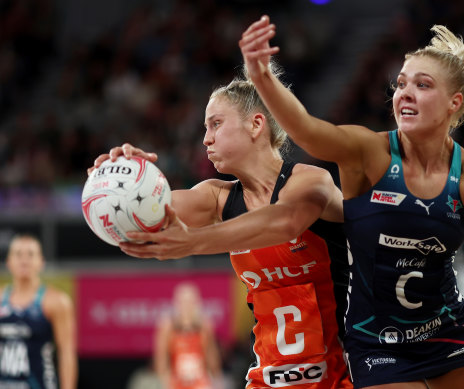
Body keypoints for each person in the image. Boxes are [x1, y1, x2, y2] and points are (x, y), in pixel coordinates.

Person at [238, 16, 464, 389]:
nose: (405, 93)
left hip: (447, 330)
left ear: (454, 103)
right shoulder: (369, 152)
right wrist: (261, 75)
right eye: (401, 83)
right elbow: (307, 131)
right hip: (377, 340)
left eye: (422, 85)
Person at [89, 68, 352, 388]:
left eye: (216, 123)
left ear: (257, 124)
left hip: (343, 376)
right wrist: (123, 182)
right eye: (205, 127)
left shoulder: (312, 181)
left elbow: (285, 221)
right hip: (270, 379)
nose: (205, 138)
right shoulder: (216, 198)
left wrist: (193, 242)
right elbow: (147, 219)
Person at [0, 234, 77, 389]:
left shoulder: (56, 302)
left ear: (41, 262)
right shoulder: (1, 298)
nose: (24, 260)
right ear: (8, 262)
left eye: (30, 254)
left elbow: (66, 352)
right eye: (18, 254)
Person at [153, 282, 223, 389]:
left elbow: (211, 355)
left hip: (200, 382)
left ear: (197, 302)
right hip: (176, 382)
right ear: (176, 302)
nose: (186, 305)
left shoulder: (204, 326)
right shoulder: (168, 326)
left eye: (190, 301)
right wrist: (164, 379)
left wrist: (216, 378)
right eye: (183, 301)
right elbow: (161, 357)